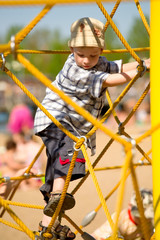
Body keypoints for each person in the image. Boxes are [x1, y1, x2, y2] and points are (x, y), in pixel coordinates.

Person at [34, 17, 150, 239]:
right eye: (81, 54)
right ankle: (58, 194)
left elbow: (117, 67)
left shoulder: (97, 63)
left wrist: (143, 62)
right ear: (71, 49)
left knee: (55, 172)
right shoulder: (74, 69)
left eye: (93, 55)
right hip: (56, 120)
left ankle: (47, 226)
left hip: (68, 125)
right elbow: (109, 80)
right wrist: (140, 69)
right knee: (68, 155)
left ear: (100, 51)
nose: (87, 61)